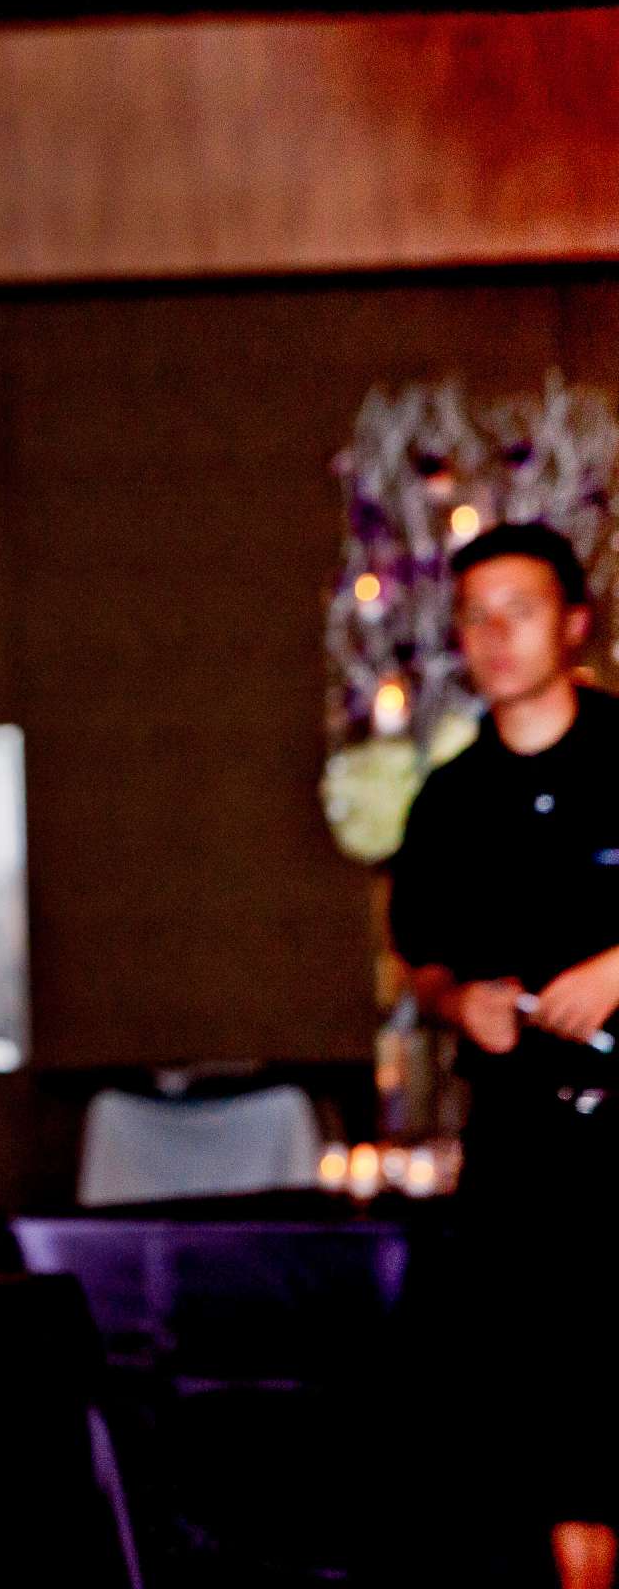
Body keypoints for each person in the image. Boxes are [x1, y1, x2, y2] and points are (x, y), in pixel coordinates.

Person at [390, 521, 619, 1589]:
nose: (493, 635)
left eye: (517, 609)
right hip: (521, 1141)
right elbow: (418, 962)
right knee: (543, 1401)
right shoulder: (450, 798)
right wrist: (457, 998)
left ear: (575, 620)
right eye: (474, 616)